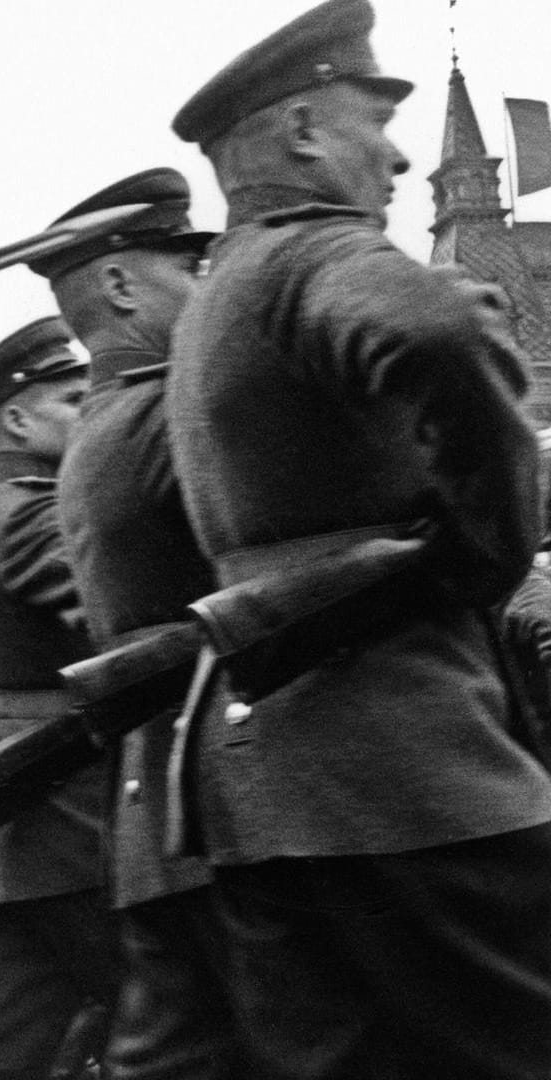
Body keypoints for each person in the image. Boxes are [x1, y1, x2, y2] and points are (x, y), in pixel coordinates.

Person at [165, 1, 551, 1074]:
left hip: (268, 785)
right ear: (299, 134)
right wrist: (491, 545)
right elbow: (439, 325)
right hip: (411, 766)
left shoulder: (217, 292)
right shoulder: (316, 253)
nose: (393, 156)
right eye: (370, 121)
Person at [43, 167, 235, 1079]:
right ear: (121, 284)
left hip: (155, 802)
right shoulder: (166, 413)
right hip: (226, 804)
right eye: (186, 267)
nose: (206, 285)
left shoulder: (100, 423)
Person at [0, 317, 119, 1080]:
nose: (93, 411)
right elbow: (116, 621)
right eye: (75, 399)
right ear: (15, 420)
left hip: (22, 823)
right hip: (70, 816)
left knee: (3, 1045)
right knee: (175, 1013)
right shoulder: (38, 517)